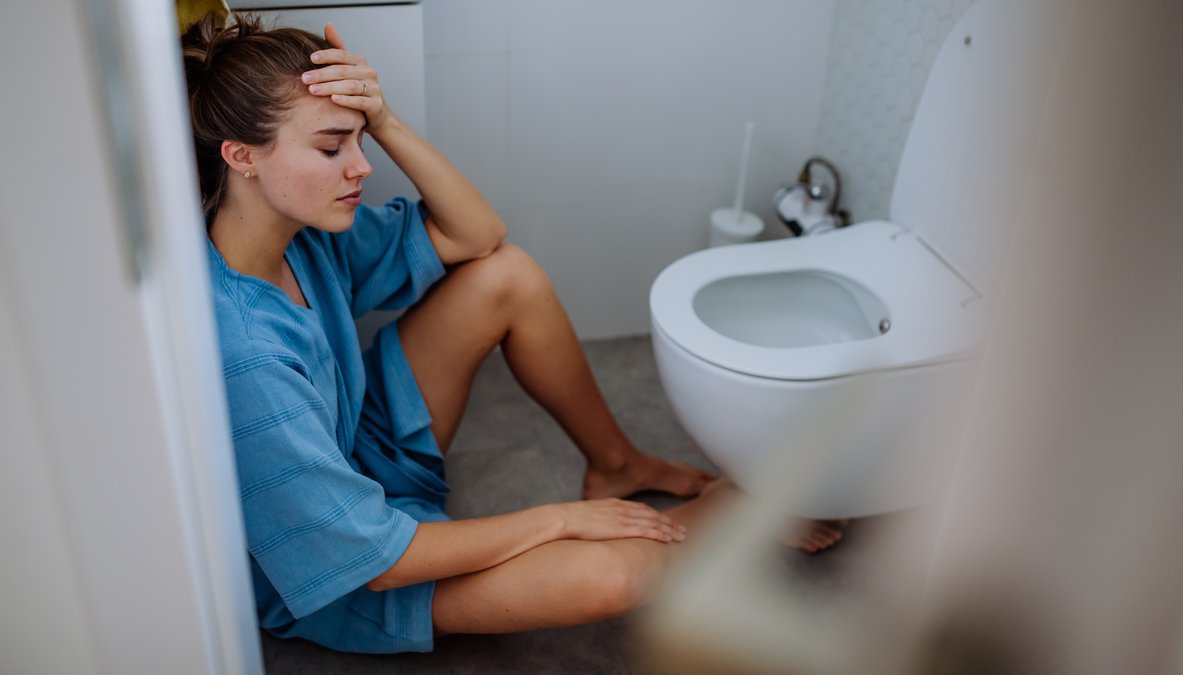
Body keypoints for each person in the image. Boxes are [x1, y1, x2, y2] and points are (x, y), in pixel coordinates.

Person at [182, 14, 844, 655]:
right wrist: (557, 519)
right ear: (241, 157)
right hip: (342, 572)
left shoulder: (300, 238)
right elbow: (377, 559)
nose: (360, 167)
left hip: (356, 452)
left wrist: (385, 120)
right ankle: (733, 514)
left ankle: (618, 464)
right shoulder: (244, 353)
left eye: (360, 141)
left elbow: (477, 234)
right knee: (615, 575)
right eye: (332, 148)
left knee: (507, 274)